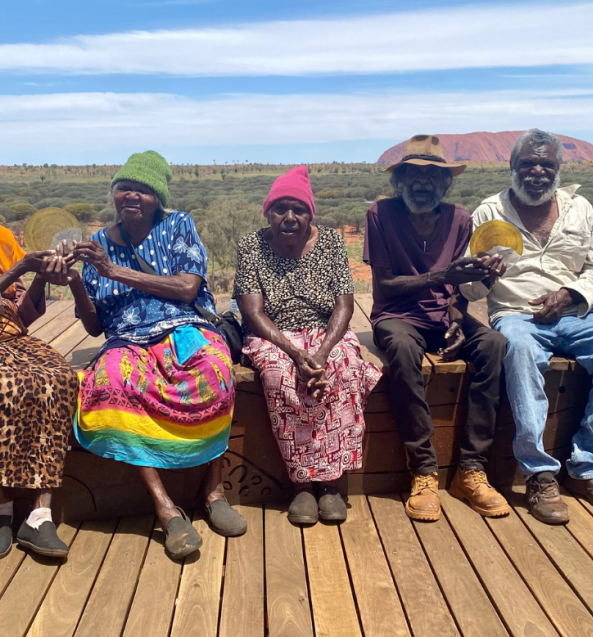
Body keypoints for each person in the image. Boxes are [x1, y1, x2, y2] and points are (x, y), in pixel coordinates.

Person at [65, 150, 245, 561]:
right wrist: (77, 281)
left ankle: (214, 490)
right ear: (114, 194)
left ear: (157, 198)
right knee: (112, 384)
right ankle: (165, 508)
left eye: (144, 190)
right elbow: (94, 327)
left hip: (183, 326)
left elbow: (185, 288)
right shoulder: (95, 244)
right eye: (125, 187)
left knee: (216, 371)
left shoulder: (178, 224)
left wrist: (114, 271)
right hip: (126, 338)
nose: (133, 196)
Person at [461, 129, 593, 524]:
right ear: (512, 168)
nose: (537, 170)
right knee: (518, 350)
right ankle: (538, 472)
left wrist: (571, 294)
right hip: (516, 314)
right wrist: (486, 276)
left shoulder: (579, 209)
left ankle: (589, 465)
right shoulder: (489, 213)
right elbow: (468, 289)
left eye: (546, 164)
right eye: (528, 163)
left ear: (557, 169)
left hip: (576, 312)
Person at [364, 135, 509, 523]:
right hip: (397, 316)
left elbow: (461, 287)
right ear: (400, 181)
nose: (421, 183)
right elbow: (385, 286)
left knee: (494, 343)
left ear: (445, 183)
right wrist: (441, 275)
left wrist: (459, 315)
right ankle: (424, 470)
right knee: (403, 349)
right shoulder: (380, 214)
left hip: (443, 317)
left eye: (432, 176)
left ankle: (471, 469)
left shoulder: (460, 219)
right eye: (413, 175)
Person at [234, 166, 381, 525]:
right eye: (279, 209)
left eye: (298, 209)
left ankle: (331, 481)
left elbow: (344, 305)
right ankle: (301, 482)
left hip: (324, 332)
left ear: (309, 214)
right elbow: (253, 312)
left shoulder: (329, 242)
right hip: (273, 335)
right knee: (278, 377)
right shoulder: (252, 246)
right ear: (268, 212)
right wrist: (296, 353)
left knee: (345, 368)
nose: (288, 217)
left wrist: (320, 353)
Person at [0, 159, 80, 561]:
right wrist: (18, 269)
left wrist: (41, 275)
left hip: (10, 338)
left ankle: (40, 514)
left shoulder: (1, 237)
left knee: (58, 378)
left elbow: (23, 313)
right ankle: (1, 509)